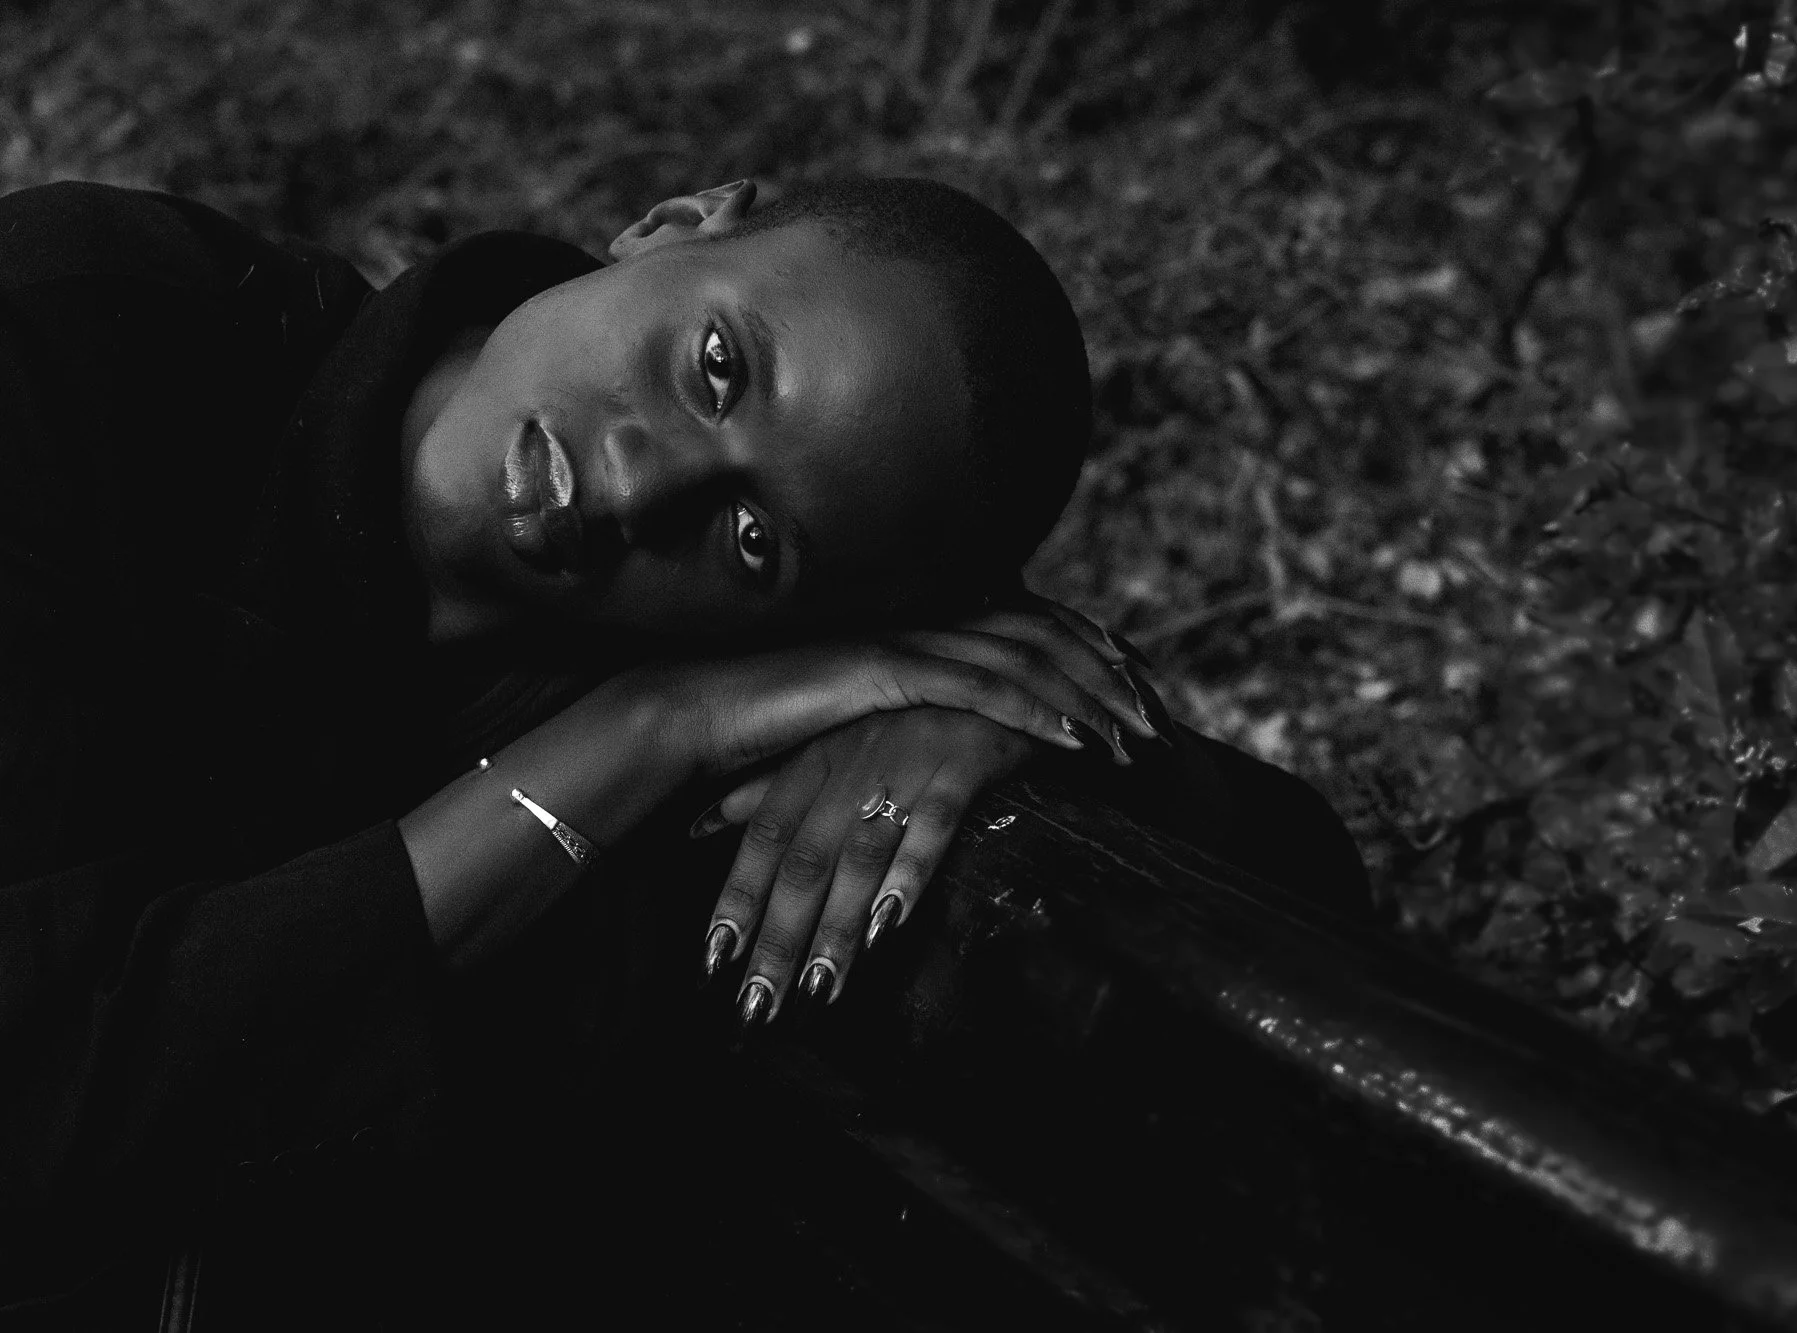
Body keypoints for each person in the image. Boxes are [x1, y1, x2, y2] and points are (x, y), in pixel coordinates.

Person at [0, 173, 1368, 1328]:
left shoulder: (625, 700)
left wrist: (996, 720)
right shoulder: (84, 326)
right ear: (674, 222)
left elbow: (1289, 897)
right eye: (720, 368)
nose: (649, 482)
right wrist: (645, 738)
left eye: (753, 542)